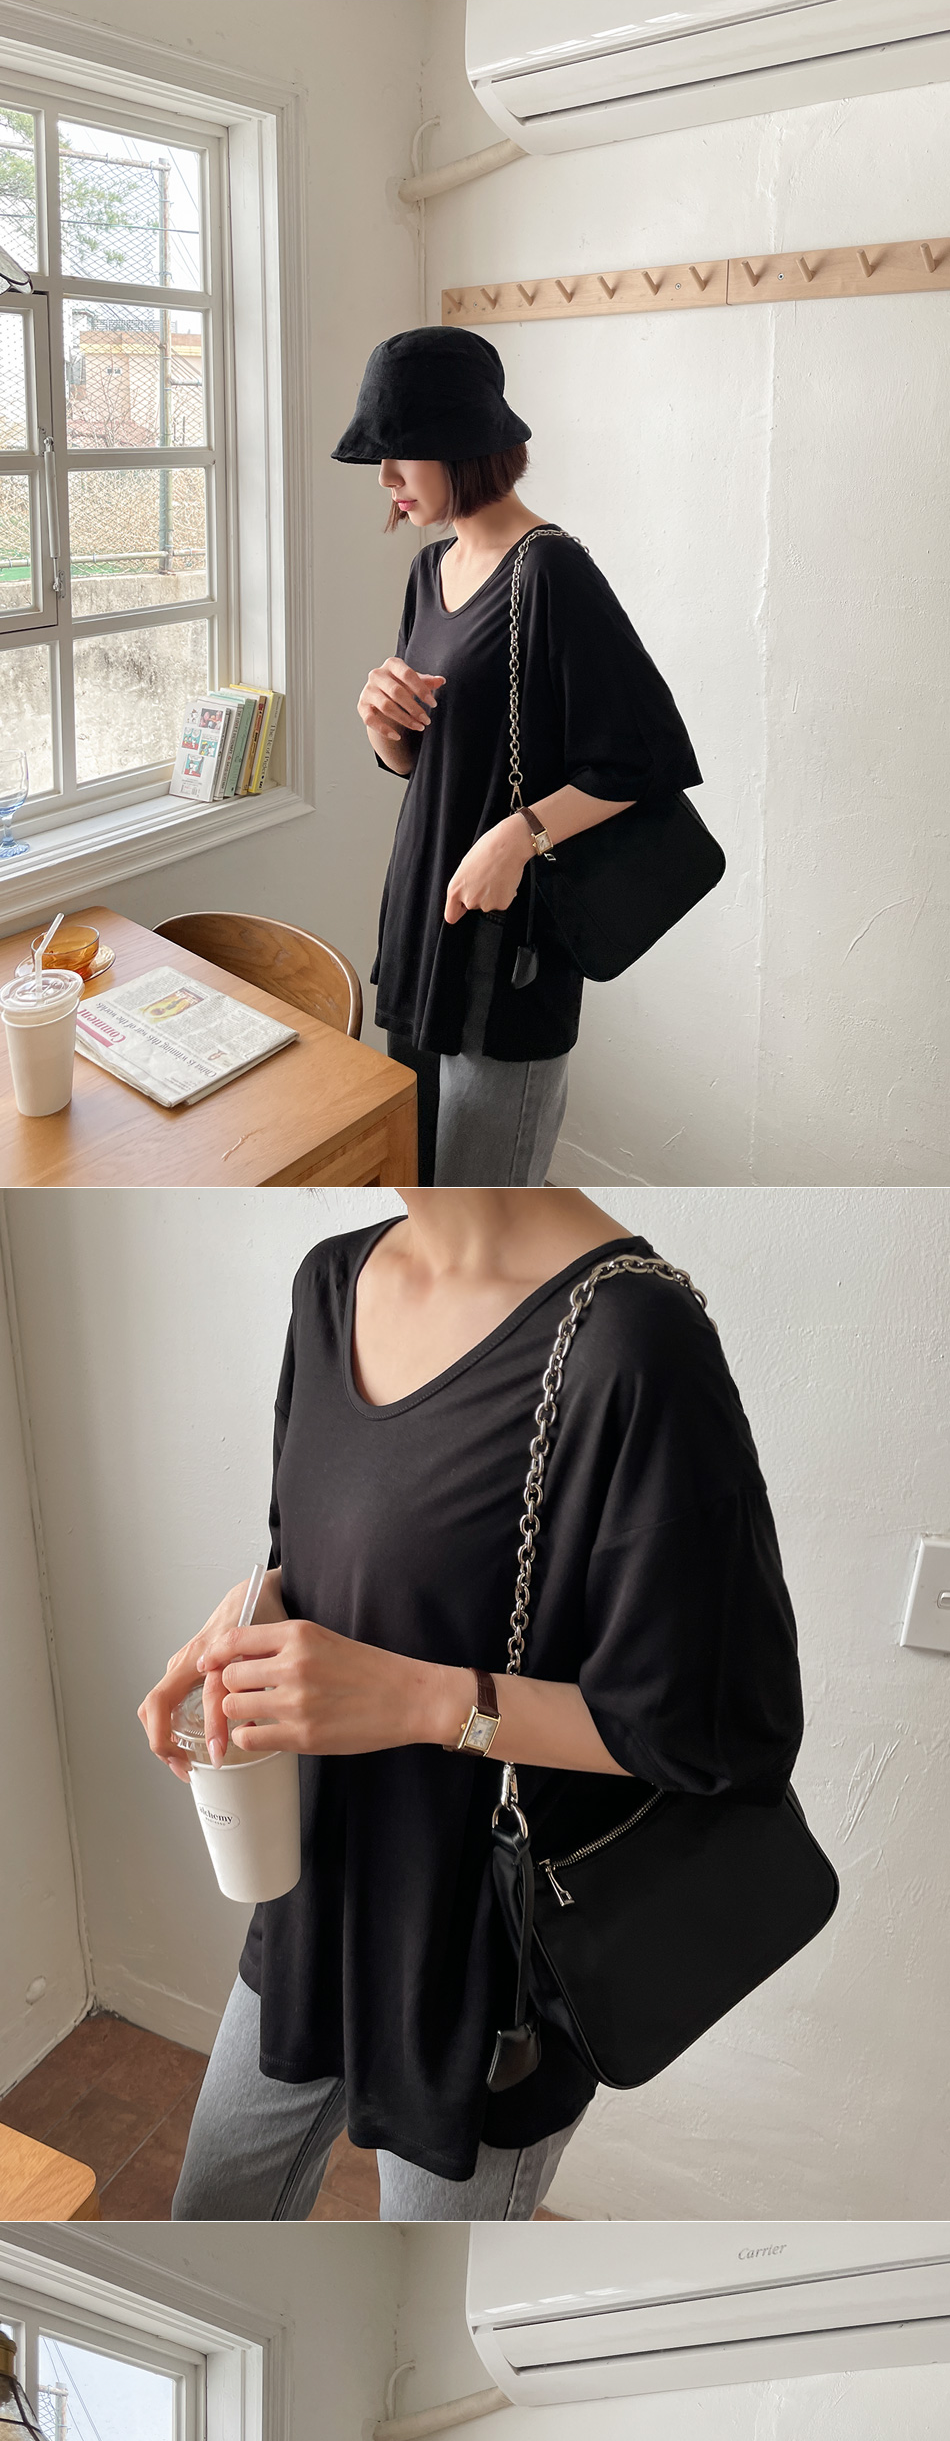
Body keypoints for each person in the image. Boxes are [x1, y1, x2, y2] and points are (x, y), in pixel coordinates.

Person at [138, 1187, 805, 2224]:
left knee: (432, 2264)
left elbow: (713, 1732)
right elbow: (318, 1557)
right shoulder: (331, 1282)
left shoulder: (635, 1345)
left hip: (486, 1964)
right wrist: (234, 1628)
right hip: (315, 1887)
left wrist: (417, 1700)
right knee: (210, 2219)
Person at [333, 324, 702, 1182]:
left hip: (508, 946)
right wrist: (381, 724)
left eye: (399, 454)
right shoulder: (429, 570)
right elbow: (428, 764)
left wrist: (517, 836)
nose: (385, 478)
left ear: (460, 443)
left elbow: (643, 755)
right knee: (421, 1185)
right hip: (425, 915)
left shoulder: (551, 571)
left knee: (486, 1201)